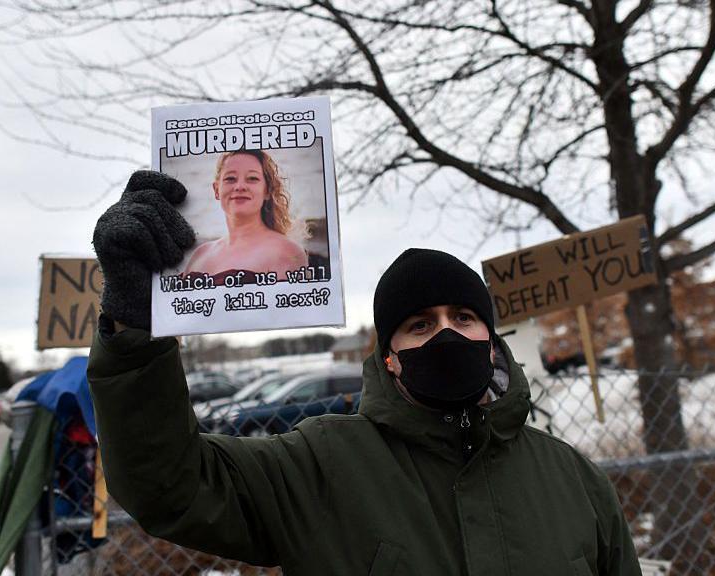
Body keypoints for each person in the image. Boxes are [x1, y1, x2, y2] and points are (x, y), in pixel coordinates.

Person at [89, 171, 642, 575]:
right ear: (390, 356)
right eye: (421, 325)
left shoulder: (575, 480)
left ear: (492, 341)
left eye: (465, 318)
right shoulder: (320, 467)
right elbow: (172, 485)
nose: (447, 334)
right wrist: (136, 324)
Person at [183, 149, 307, 280]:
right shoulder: (200, 255)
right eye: (230, 179)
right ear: (216, 190)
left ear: (267, 191)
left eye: (252, 178)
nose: (240, 186)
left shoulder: (287, 252)